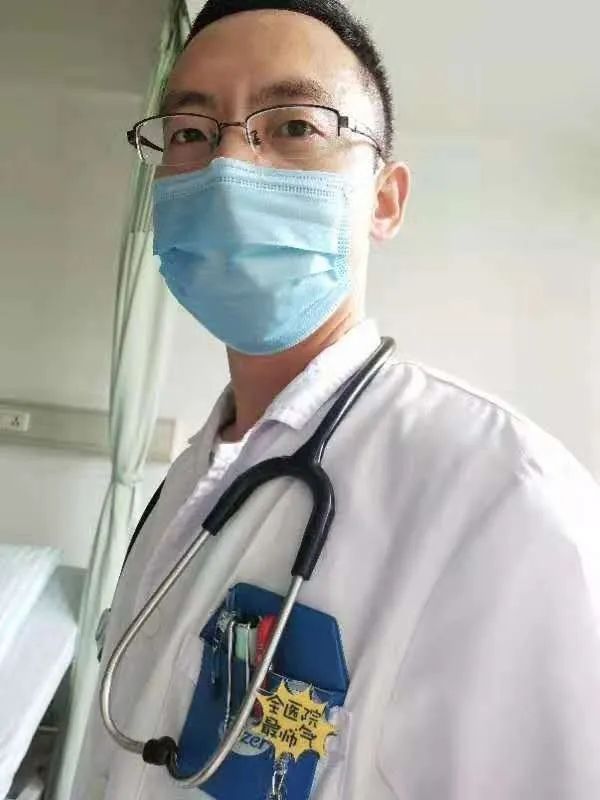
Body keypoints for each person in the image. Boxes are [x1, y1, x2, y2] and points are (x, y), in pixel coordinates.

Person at [71, 1, 600, 798]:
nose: (228, 165)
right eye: (189, 133)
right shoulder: (196, 478)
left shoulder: (503, 499)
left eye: (294, 126)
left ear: (384, 200)